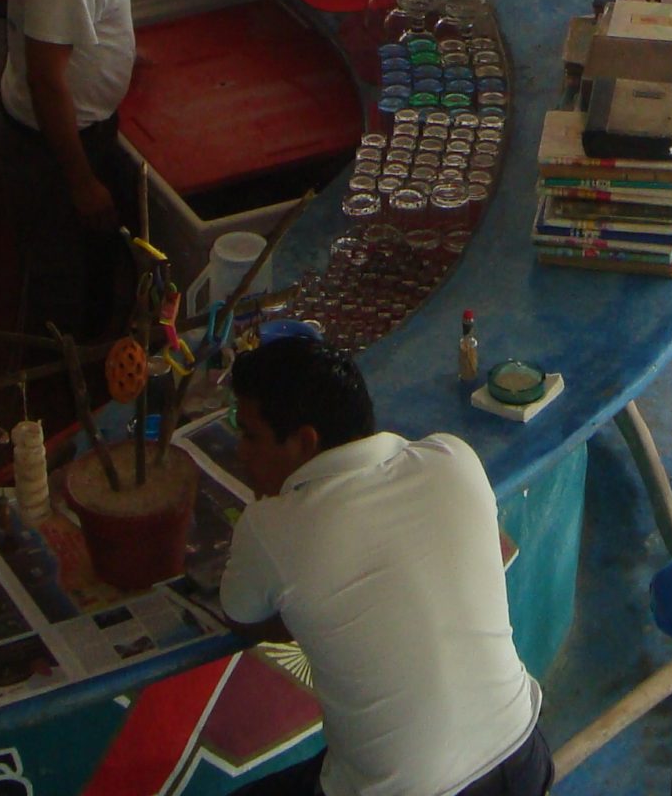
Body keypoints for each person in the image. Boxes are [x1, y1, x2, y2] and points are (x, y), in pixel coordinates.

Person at [222, 337, 551, 796]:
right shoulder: (452, 458)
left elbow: (242, 616)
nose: (240, 451)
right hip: (524, 760)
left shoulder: (270, 528)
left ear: (304, 441)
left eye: (250, 435)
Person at [0, 0, 142, 337]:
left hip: (78, 129)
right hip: (58, 144)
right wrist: (81, 180)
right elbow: (45, 80)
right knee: (65, 278)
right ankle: (62, 380)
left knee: (93, 260)